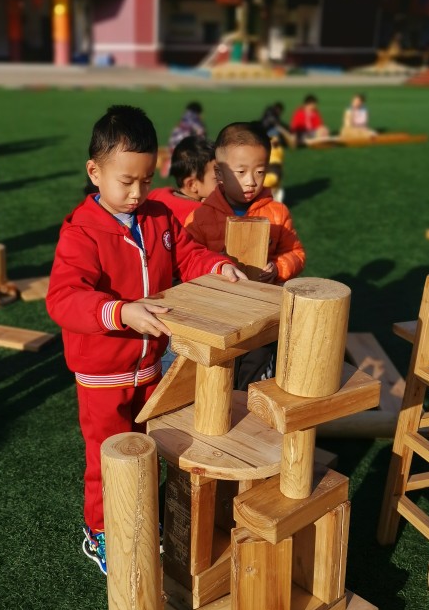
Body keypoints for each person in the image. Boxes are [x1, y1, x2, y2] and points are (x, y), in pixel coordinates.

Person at [45, 104, 246, 575]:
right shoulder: (81, 232)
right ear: (94, 173)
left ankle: (139, 512)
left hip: (151, 366)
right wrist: (121, 311)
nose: (137, 193)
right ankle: (101, 530)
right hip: (102, 373)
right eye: (126, 181)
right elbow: (64, 299)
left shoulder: (158, 217)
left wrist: (217, 266)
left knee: (149, 448)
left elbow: (188, 256)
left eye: (146, 180)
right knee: (108, 458)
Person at [185, 121, 306, 387]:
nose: (251, 181)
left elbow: (295, 252)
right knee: (216, 377)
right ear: (219, 172)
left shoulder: (277, 212)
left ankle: (250, 406)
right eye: (241, 172)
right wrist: (216, 265)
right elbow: (186, 262)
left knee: (256, 372)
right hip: (216, 316)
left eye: (260, 172)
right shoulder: (200, 217)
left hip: (261, 318)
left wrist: (278, 267)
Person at [147, 135, 217, 225]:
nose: (223, 180)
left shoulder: (157, 194)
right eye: (217, 177)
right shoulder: (202, 213)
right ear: (192, 184)